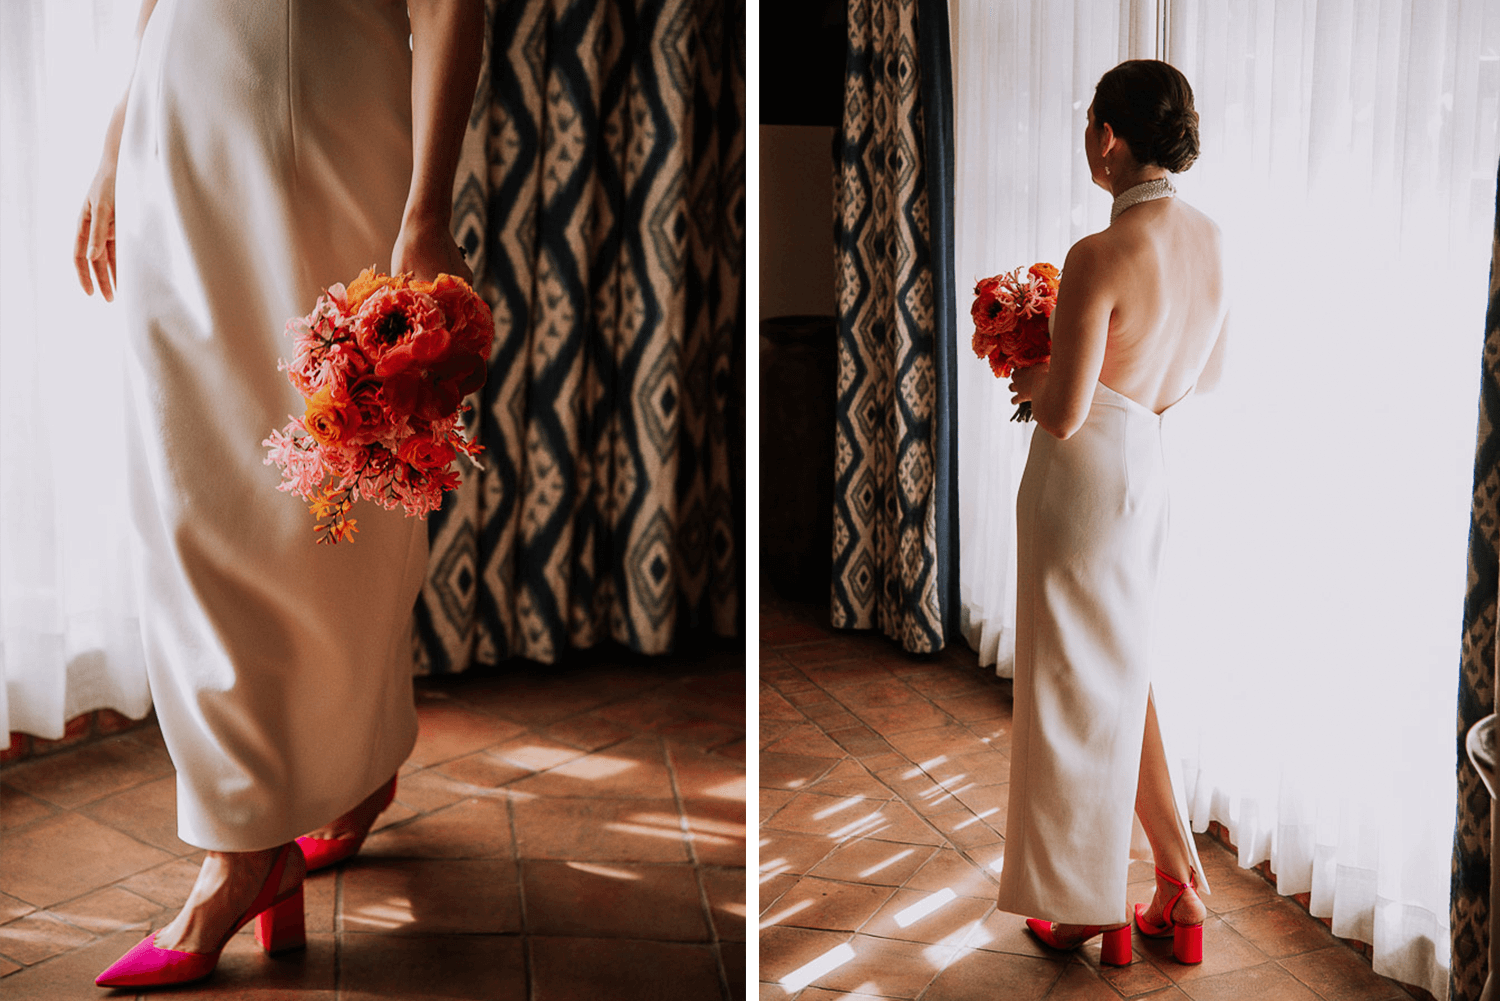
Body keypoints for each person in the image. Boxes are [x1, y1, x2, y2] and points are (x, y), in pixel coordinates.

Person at [72, 0, 484, 988]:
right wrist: (120, 127)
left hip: (331, 121)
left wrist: (427, 212)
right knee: (189, 480)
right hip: (180, 115)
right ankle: (246, 835)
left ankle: (336, 766)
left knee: (348, 465)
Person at [995, 59, 1229, 968]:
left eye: (1088, 124)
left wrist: (1027, 371)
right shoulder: (1211, 240)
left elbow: (1060, 410)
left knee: (1067, 688)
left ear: (1108, 136)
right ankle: (1177, 883)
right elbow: (1203, 375)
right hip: (1147, 472)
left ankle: (1089, 904)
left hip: (1081, 481)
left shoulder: (1100, 254)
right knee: (1120, 675)